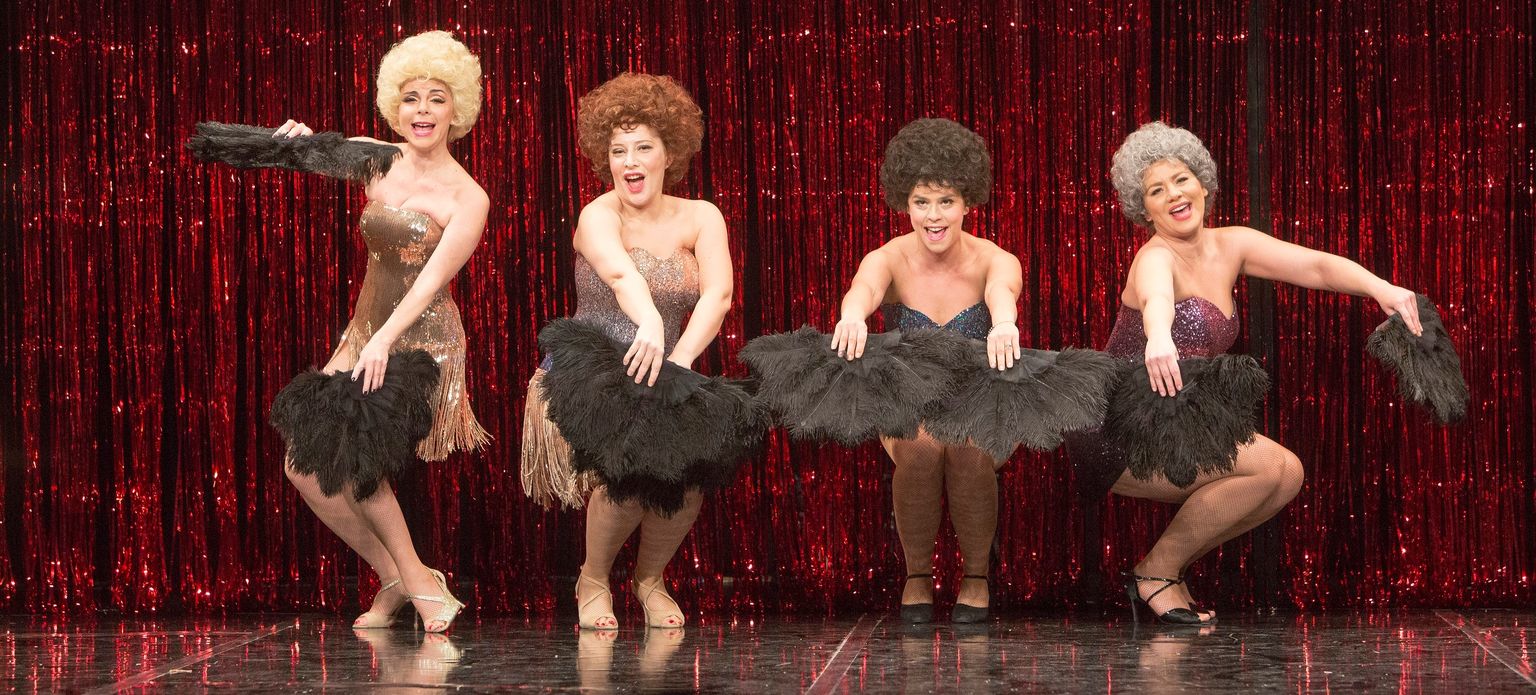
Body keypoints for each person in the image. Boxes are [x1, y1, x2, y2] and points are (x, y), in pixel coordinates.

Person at [1072, 121, 1422, 624]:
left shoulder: (1232, 244)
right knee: (1270, 466)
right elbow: (1156, 296)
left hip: (1176, 418)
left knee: (1286, 475)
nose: (1174, 195)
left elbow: (1316, 267)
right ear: (1143, 209)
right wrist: (1159, 335)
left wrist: (1381, 289)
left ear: (1203, 184)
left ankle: (1162, 570)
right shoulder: (1154, 257)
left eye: (1181, 179)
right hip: (1121, 429)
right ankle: (1156, 573)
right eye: (1156, 190)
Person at [269, 30, 490, 633]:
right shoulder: (377, 157)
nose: (423, 110)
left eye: (437, 98)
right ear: (396, 104)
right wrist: (297, 139)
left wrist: (384, 341)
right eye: (412, 97)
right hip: (365, 329)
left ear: (457, 109)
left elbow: (429, 285)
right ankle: (400, 578)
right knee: (302, 466)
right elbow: (315, 151)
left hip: (420, 339)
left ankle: (418, 584)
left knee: (358, 459)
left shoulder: (468, 197)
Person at [519, 73, 733, 630]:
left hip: (667, 364)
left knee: (690, 474)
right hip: (591, 365)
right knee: (631, 465)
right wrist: (650, 323)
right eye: (618, 150)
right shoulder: (599, 214)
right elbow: (620, 275)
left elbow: (718, 295)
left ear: (669, 153)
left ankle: (649, 579)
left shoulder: (702, 216)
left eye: (642, 147)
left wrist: (680, 362)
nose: (630, 161)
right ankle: (593, 579)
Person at [830, 118, 1024, 624]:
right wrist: (852, 316)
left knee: (967, 447)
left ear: (967, 202)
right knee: (919, 447)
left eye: (945, 201)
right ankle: (918, 574)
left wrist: (1004, 324)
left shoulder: (994, 259)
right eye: (921, 201)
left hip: (980, 397)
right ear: (905, 203)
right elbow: (864, 289)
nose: (933, 216)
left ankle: (976, 576)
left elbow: (1002, 292)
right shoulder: (889, 257)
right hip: (907, 398)